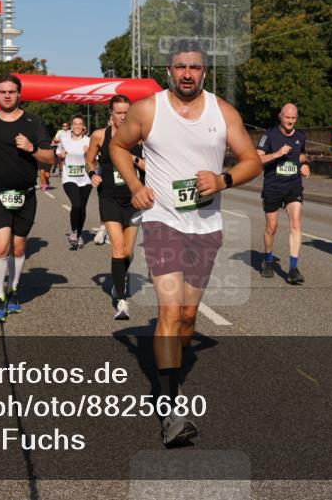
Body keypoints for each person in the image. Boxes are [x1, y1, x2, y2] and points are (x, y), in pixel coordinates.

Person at [110, 38, 261, 447]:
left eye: (195, 67)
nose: (188, 74)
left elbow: (251, 159)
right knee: (170, 309)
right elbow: (118, 146)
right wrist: (135, 185)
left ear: (205, 72)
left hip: (206, 226)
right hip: (162, 221)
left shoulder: (222, 111)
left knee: (189, 317)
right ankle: (171, 409)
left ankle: (171, 370)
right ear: (169, 70)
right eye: (180, 67)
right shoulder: (148, 109)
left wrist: (223, 180)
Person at [0, 74, 54, 322]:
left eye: (12, 91)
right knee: (0, 246)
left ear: (19, 94)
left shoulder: (33, 122)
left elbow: (50, 158)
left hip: (25, 194)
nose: (7, 95)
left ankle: (13, 290)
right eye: (2, 91)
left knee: (18, 248)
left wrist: (31, 148)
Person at [85, 95, 145, 319]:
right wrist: (92, 174)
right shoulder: (100, 135)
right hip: (108, 197)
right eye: (119, 113)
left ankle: (118, 279)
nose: (123, 117)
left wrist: (133, 159)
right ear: (111, 114)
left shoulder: (142, 138)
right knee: (118, 248)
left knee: (128, 252)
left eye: (126, 113)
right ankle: (122, 300)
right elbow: (89, 159)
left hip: (134, 199)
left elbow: (150, 166)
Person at [257, 103, 310, 284]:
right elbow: (257, 158)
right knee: (272, 227)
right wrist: (277, 154)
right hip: (273, 186)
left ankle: (293, 269)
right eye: (287, 117)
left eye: (294, 118)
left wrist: (305, 165)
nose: (290, 121)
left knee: (295, 224)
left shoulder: (301, 136)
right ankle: (268, 259)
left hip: (293, 185)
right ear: (280, 117)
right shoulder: (269, 135)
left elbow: (302, 155)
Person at [57, 115, 93, 250]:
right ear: (71, 126)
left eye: (80, 124)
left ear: (84, 127)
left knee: (82, 207)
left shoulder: (89, 141)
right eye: (75, 124)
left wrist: (88, 153)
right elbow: (59, 153)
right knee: (76, 204)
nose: (77, 126)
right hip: (69, 178)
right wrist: (61, 155)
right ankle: (73, 232)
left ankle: (78, 235)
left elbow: (95, 159)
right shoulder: (64, 139)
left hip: (86, 179)